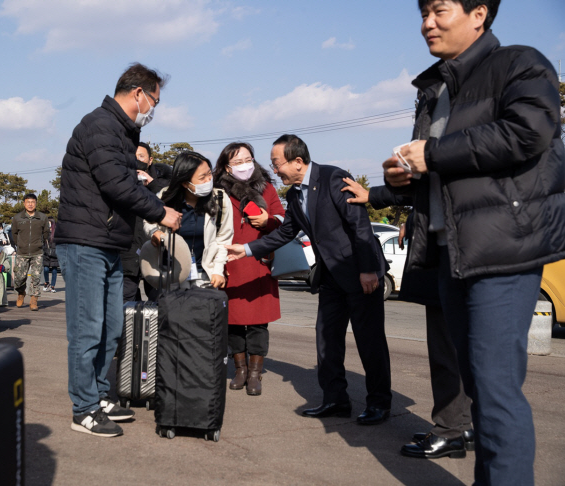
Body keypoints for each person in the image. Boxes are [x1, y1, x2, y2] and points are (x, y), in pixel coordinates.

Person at [382, 1, 564, 483]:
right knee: (479, 389)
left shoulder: (520, 62)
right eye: (422, 13)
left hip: (502, 249)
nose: (427, 23)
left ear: (479, 13)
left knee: (494, 386)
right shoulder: (436, 86)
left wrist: (433, 152)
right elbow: (443, 170)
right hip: (450, 252)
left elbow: (529, 131)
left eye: (439, 10)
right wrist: (404, 177)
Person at [226, 134, 392, 425]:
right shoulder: (293, 195)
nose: (274, 170)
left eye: (277, 164)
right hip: (330, 277)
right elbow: (285, 232)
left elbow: (359, 224)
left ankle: (378, 403)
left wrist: (367, 268)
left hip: (360, 274)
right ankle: (335, 400)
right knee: (326, 341)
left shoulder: (333, 178)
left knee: (370, 342)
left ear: (298, 161)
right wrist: (247, 249)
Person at [55, 63, 181, 438]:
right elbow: (114, 185)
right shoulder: (100, 125)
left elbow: (121, 179)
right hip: (85, 242)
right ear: (138, 93)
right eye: (154, 99)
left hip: (109, 243)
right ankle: (84, 408)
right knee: (87, 329)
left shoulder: (123, 133)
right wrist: (161, 212)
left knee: (111, 328)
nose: (154, 108)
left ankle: (99, 394)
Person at [342, 178, 473, 458]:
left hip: (454, 250)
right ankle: (461, 426)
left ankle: (450, 430)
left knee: (445, 349)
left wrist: (375, 195)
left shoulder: (454, 142)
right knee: (459, 348)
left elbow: (428, 181)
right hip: (463, 245)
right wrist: (413, 220)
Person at [213, 142, 285, 395]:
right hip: (229, 263)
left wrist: (268, 220)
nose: (244, 165)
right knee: (232, 322)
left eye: (248, 159)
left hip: (259, 263)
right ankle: (240, 369)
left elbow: (283, 221)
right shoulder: (216, 192)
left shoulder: (266, 189)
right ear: (225, 166)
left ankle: (255, 373)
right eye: (237, 161)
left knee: (258, 323)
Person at [144, 151, 233, 291]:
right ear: (185, 183)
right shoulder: (164, 197)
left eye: (209, 174)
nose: (208, 180)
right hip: (172, 275)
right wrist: (154, 232)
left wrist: (218, 269)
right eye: (202, 177)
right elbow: (149, 222)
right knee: (174, 312)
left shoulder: (220, 199)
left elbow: (224, 239)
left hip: (206, 276)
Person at [121, 142, 171, 303]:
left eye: (141, 156)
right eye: (133, 157)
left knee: (158, 300)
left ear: (150, 160)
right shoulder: (120, 181)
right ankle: (128, 328)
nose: (137, 160)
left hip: (155, 252)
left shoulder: (163, 182)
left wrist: (152, 184)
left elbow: (171, 204)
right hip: (128, 251)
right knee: (126, 300)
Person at [11, 193, 49, 311]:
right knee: (19, 277)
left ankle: (34, 299)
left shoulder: (42, 217)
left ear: (36, 203)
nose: (30, 204)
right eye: (28, 202)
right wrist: (20, 245)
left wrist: (40, 244)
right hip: (22, 252)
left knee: (36, 277)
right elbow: (14, 234)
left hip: (37, 252)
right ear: (24, 203)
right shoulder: (17, 218)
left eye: (33, 202)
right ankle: (21, 293)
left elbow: (46, 233)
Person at [42, 216, 58, 293]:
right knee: (46, 269)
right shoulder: (45, 232)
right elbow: (42, 241)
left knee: (54, 270)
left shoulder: (57, 232)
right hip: (46, 253)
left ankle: (53, 286)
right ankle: (46, 282)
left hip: (55, 254)